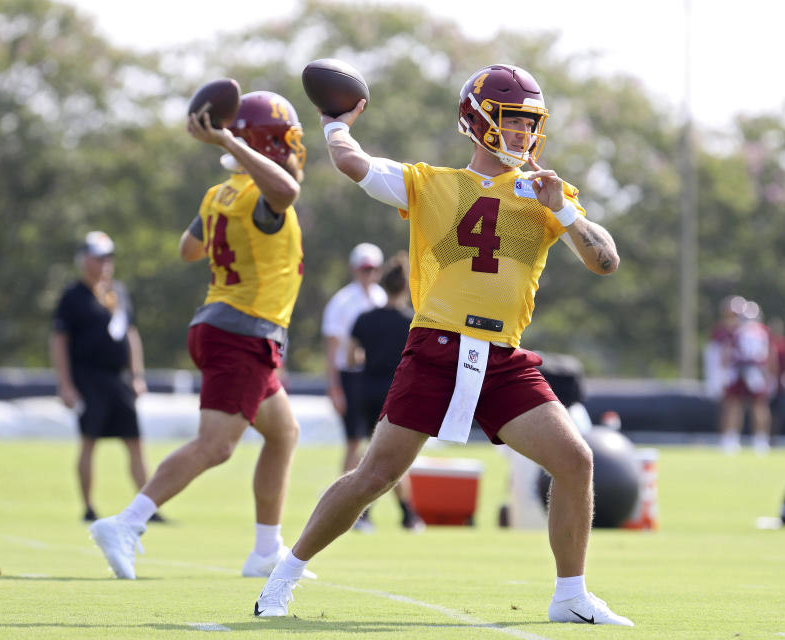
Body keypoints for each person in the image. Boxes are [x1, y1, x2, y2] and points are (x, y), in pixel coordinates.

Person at [255, 63, 632, 626]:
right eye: (509, 122)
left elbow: (606, 260)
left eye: (529, 124)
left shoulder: (546, 194)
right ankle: (283, 576)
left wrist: (564, 208)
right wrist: (337, 124)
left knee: (576, 459)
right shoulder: (432, 183)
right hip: (437, 346)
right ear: (477, 122)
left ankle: (571, 595)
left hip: (502, 354)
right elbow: (352, 162)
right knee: (375, 475)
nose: (521, 135)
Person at [88, 90, 314, 582]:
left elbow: (188, 249)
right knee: (216, 445)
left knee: (284, 433)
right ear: (264, 142)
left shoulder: (221, 193)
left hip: (227, 325)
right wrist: (234, 144)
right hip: (242, 331)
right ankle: (127, 523)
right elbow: (287, 193)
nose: (292, 150)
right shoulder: (262, 193)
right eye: (283, 140)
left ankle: (264, 551)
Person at [50, 231, 152, 523]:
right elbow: (59, 341)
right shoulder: (72, 297)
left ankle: (146, 507)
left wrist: (137, 375)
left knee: (134, 442)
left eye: (109, 258)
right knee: (89, 441)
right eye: (99, 258)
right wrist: (66, 385)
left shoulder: (118, 293)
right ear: (85, 260)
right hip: (88, 378)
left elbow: (131, 335)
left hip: (117, 379)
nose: (106, 264)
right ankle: (89, 507)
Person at [348, 251, 424, 532]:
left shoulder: (365, 318)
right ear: (406, 287)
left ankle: (377, 513)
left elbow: (350, 356)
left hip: (367, 391)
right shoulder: (412, 322)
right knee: (392, 458)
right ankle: (401, 514)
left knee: (372, 454)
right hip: (397, 393)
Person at [321, 242, 387, 531]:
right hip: (350, 377)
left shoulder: (381, 297)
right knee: (353, 442)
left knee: (379, 444)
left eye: (372, 269)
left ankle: (367, 509)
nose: (367, 274)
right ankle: (349, 508)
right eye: (363, 269)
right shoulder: (342, 302)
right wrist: (334, 387)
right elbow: (333, 347)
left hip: (374, 376)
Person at [710, 296, 777, 455]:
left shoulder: (736, 330)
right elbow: (770, 355)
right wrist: (770, 374)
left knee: (740, 406)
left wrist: (722, 372)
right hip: (753, 369)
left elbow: (726, 354)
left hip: (743, 369)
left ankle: (734, 440)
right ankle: (758, 441)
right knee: (753, 406)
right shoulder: (761, 331)